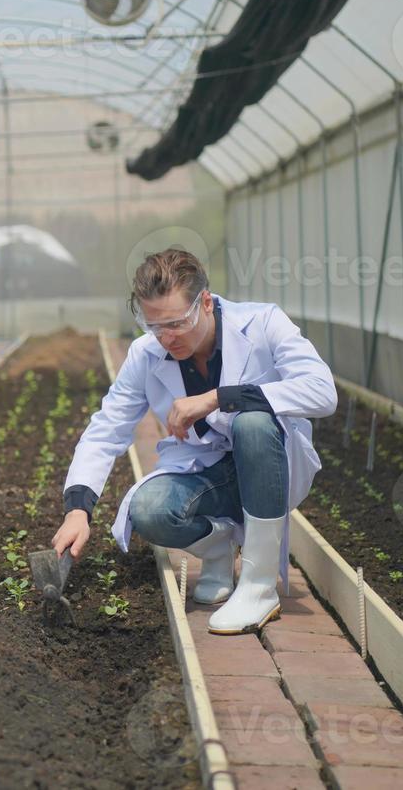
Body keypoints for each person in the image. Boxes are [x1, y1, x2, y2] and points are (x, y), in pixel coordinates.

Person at [50, 248, 336, 634]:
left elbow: (322, 392)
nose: (166, 338)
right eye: (154, 326)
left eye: (176, 323)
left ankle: (258, 587)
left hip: (271, 466)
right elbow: (107, 428)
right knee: (149, 511)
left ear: (204, 302)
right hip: (208, 473)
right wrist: (77, 510)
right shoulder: (146, 353)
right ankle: (219, 550)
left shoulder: (263, 322)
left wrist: (219, 397)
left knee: (252, 422)